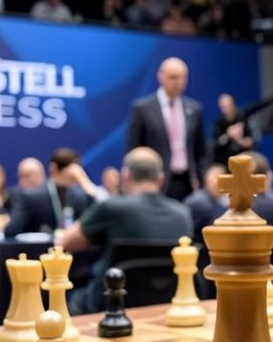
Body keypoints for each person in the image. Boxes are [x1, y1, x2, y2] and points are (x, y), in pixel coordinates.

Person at [61, 147, 193, 313]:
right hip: (167, 304)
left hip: (109, 307)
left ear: (125, 176)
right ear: (161, 179)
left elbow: (65, 243)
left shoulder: (111, 207)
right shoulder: (183, 214)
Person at [126, 57, 207, 201]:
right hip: (155, 181)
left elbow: (201, 150)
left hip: (187, 182)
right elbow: (134, 149)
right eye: (173, 77)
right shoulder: (143, 109)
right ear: (161, 76)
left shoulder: (194, 109)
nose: (178, 82)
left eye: (182, 77)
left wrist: (201, 179)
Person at [4, 148, 99, 237]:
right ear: (54, 168)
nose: (74, 175)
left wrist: (85, 182)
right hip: (41, 252)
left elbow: (100, 216)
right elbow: (11, 231)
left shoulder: (81, 196)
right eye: (71, 171)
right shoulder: (32, 197)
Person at [211, 94, 253, 166]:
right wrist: (228, 135)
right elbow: (216, 144)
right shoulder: (219, 123)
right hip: (224, 161)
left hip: (242, 157)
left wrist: (239, 139)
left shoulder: (242, 119)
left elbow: (250, 142)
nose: (224, 109)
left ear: (232, 105)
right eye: (222, 107)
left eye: (226, 106)